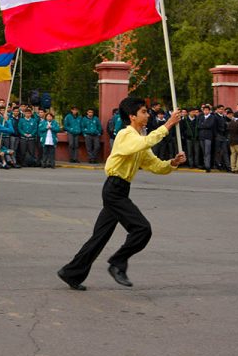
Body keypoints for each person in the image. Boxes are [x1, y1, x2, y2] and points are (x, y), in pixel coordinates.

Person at [57, 97, 185, 290]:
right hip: (114, 190)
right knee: (142, 229)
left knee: (99, 237)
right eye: (143, 112)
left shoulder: (140, 139)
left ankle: (71, 273)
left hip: (120, 190)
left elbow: (155, 165)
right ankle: (117, 262)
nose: (147, 114)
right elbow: (146, 142)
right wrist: (168, 124)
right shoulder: (126, 135)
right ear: (132, 116)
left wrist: (172, 163)